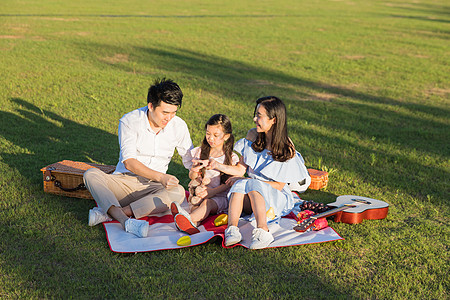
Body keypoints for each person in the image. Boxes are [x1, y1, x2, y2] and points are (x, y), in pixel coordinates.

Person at [83, 78, 193, 238]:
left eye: (174, 112)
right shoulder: (130, 121)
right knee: (91, 175)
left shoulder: (179, 125)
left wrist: (203, 175)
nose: (169, 118)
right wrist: (161, 176)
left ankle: (111, 213)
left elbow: (190, 159)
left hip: (154, 187)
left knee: (178, 192)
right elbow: (129, 162)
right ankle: (125, 221)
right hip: (124, 182)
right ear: (151, 106)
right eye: (165, 112)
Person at [208, 96, 310, 249]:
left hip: (276, 198)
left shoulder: (286, 147)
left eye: (259, 116)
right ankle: (232, 229)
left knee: (250, 184)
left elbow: (279, 185)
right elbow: (240, 170)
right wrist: (216, 165)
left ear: (273, 120)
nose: (255, 118)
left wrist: (248, 182)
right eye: (256, 114)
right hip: (252, 193)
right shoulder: (253, 135)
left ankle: (263, 231)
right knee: (241, 185)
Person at [170, 114, 239, 235]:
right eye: (208, 133)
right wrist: (194, 171)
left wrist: (212, 192)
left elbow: (229, 183)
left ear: (226, 136)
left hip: (220, 196)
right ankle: (191, 224)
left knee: (208, 203)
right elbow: (192, 176)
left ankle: (188, 219)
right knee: (196, 204)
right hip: (201, 192)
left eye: (216, 135)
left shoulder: (231, 158)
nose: (210, 138)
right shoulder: (200, 152)